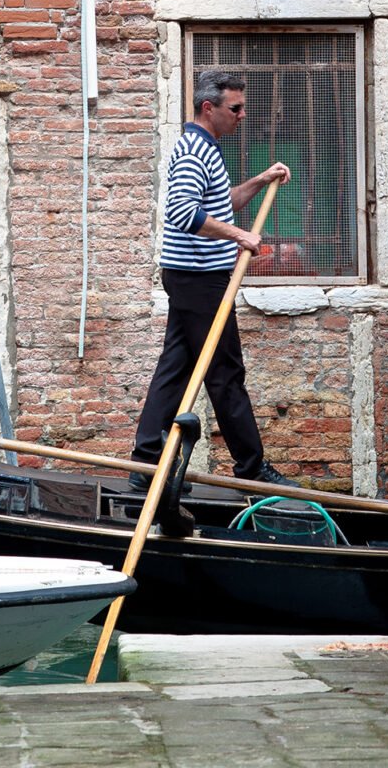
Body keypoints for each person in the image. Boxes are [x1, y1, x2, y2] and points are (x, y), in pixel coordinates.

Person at [129, 68, 297, 489]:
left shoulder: (207, 148)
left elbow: (218, 207)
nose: (242, 115)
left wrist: (260, 181)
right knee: (224, 373)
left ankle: (146, 461)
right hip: (200, 280)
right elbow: (183, 214)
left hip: (196, 278)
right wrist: (241, 236)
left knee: (176, 367)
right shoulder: (193, 152)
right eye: (235, 108)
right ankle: (251, 468)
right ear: (210, 108)